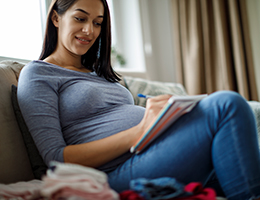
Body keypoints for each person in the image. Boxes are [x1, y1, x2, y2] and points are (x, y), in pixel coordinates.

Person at [17, 0, 260, 199]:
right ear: (56, 18)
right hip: (114, 173)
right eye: (80, 18)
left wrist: (168, 116)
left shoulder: (101, 75)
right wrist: (141, 130)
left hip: (154, 153)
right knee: (227, 105)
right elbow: (56, 159)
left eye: (98, 23)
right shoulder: (38, 74)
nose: (89, 31)